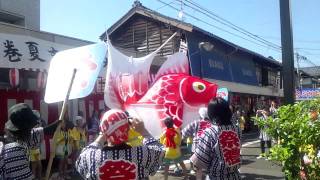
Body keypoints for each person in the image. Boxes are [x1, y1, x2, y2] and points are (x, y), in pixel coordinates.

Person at [76, 109, 164, 180]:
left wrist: (102, 135)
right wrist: (143, 131)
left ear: (103, 130)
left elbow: (81, 160)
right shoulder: (140, 155)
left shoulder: (91, 158)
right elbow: (159, 151)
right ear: (128, 130)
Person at [0, 103, 60, 179]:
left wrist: (59, 122)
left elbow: (46, 130)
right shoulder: (14, 150)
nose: (33, 128)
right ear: (27, 129)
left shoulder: (19, 138)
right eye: (31, 126)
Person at [190, 97, 241, 180]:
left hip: (216, 176)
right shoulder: (237, 129)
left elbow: (199, 161)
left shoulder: (210, 132)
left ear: (211, 113)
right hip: (235, 175)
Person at [182, 107, 212, 179]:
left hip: (197, 149)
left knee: (199, 169)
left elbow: (184, 132)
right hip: (209, 148)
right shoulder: (212, 124)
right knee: (210, 168)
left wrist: (183, 139)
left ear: (200, 115)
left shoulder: (195, 123)